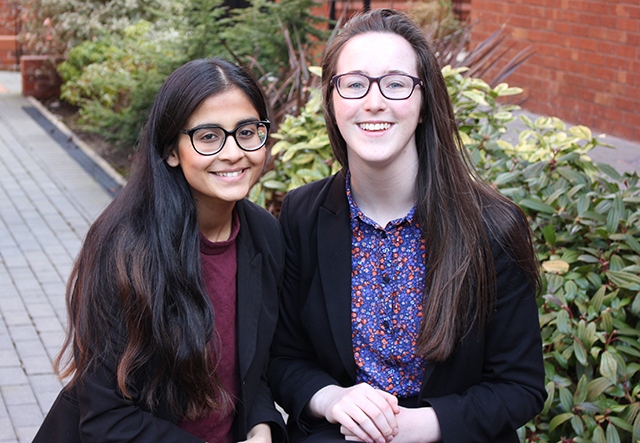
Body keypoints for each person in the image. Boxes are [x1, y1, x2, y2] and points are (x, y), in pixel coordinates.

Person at [268, 9, 546, 443]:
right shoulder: (302, 214)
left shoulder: (493, 226)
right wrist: (333, 399)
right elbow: (284, 356)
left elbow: (519, 387)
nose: (373, 101)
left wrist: (414, 427)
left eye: (395, 84)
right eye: (354, 84)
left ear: (423, 104)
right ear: (332, 102)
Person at [33, 58, 286, 443]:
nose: (234, 152)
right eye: (208, 136)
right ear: (171, 150)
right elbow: (107, 418)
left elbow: (255, 373)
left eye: (248, 132)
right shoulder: (124, 247)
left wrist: (261, 426)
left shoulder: (264, 235)